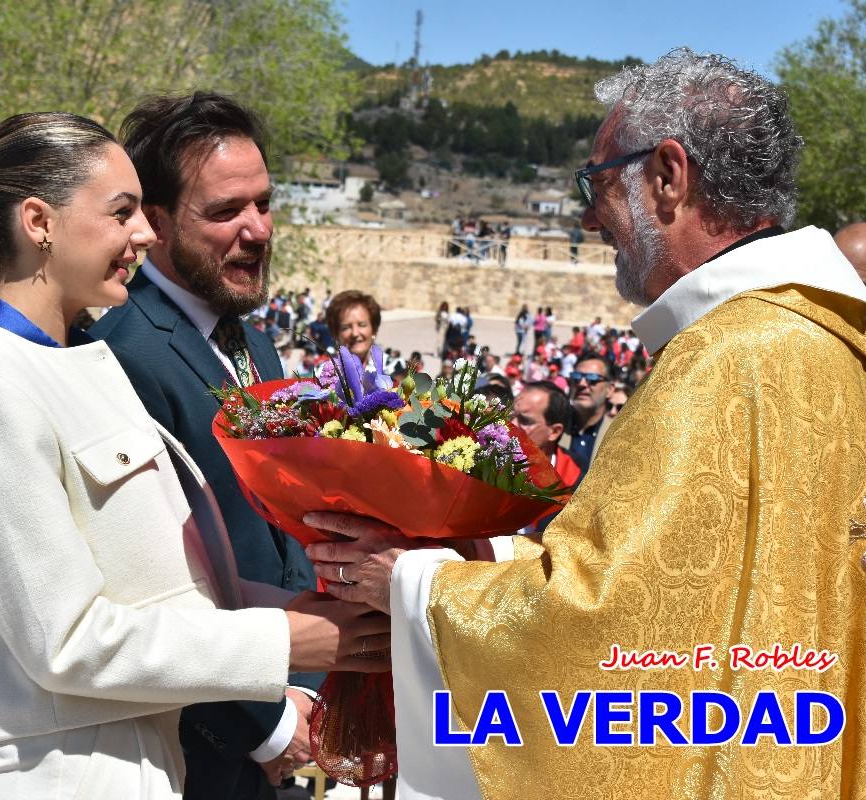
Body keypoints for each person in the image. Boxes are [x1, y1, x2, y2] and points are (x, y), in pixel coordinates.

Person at [305, 49, 866, 798]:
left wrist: (408, 583)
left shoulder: (725, 361)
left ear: (668, 176)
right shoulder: (818, 342)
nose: (587, 214)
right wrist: (488, 548)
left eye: (598, 182)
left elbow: (594, 623)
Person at [0, 111, 387, 799]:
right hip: (54, 775)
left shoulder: (80, 365)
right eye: (122, 211)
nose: (142, 233)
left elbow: (168, 583)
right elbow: (66, 642)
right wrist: (284, 641)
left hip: (139, 763)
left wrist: (354, 605)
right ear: (39, 222)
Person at [87, 93, 326, 798]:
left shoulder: (253, 342)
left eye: (263, 203)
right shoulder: (122, 355)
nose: (257, 231)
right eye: (225, 212)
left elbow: (281, 534)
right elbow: (153, 582)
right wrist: (266, 724)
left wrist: (304, 688)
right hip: (196, 745)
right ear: (154, 223)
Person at [511, 380, 580, 534]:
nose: (512, 424)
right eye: (511, 415)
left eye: (525, 421)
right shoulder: (485, 461)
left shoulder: (578, 481)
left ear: (554, 431)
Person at [562, 353, 614, 478]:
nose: (582, 384)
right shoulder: (554, 429)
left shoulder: (619, 435)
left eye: (592, 379)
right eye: (576, 377)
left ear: (609, 390)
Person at [327, 290, 383, 367]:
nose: (355, 333)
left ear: (374, 329)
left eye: (362, 325)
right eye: (346, 327)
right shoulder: (322, 375)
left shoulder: (394, 370)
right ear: (336, 334)